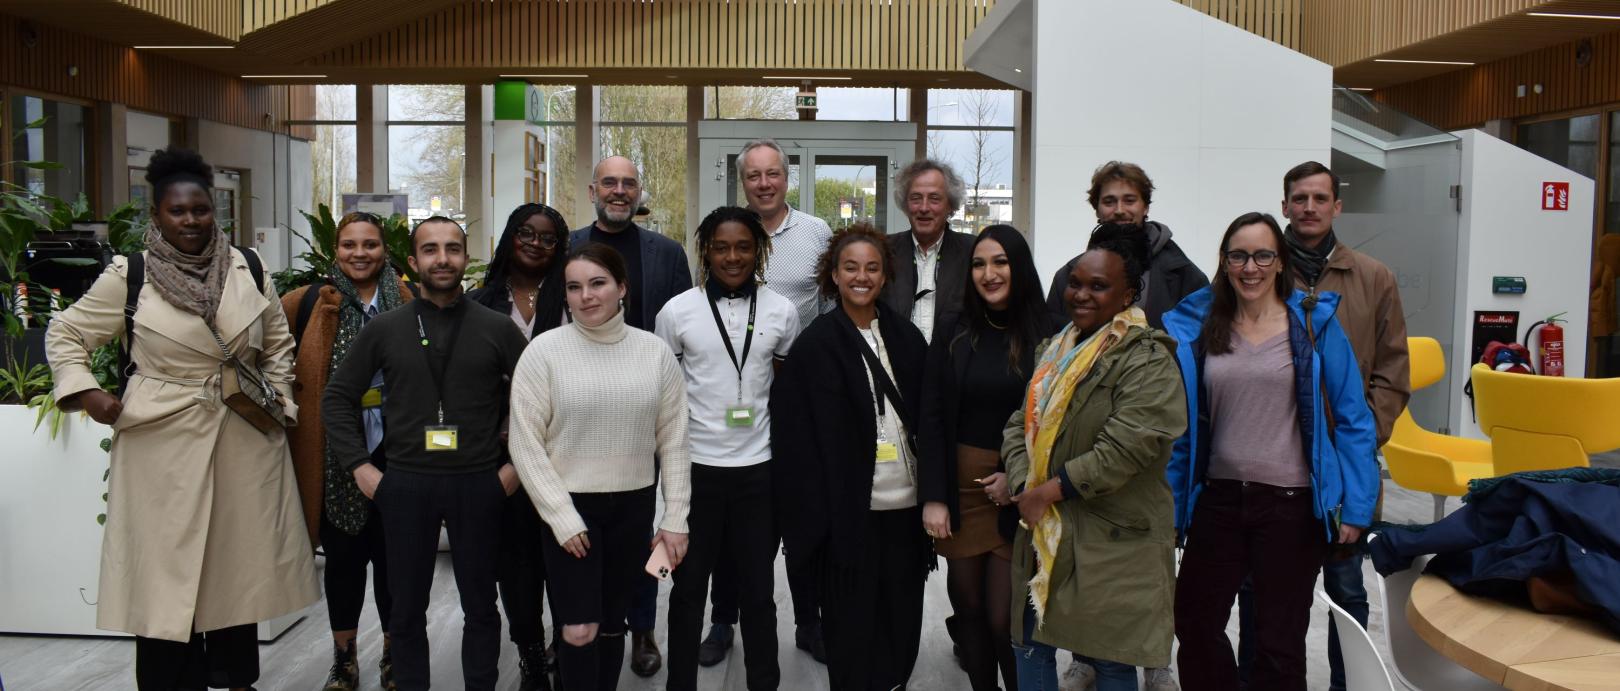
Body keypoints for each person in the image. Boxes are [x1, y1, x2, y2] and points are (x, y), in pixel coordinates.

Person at [45, 147, 318, 690]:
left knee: (236, 575)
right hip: (159, 439)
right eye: (177, 211)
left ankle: (235, 680)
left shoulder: (249, 267)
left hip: (243, 434)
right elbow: (66, 333)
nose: (191, 220)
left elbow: (279, 344)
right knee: (166, 577)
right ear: (157, 215)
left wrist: (280, 401)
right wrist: (88, 393)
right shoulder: (131, 275)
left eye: (200, 209)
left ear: (214, 211)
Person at [1163, 212, 1379, 691]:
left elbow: (1353, 420)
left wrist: (1356, 506)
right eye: (1238, 255)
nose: (1250, 267)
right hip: (1218, 501)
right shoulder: (1200, 328)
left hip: (1290, 507)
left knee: (1278, 645)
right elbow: (1184, 433)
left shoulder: (1312, 325)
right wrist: (1174, 507)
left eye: (1263, 255)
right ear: (1224, 262)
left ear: (1280, 262)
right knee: (1195, 626)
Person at [322, 216, 529, 691]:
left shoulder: (497, 329)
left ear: (465, 257)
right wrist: (361, 468)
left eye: (453, 249)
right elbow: (336, 398)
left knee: (481, 606)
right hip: (405, 484)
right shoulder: (386, 329)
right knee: (406, 608)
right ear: (413, 262)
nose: (443, 259)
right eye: (431, 250)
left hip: (480, 482)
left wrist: (515, 467)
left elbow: (540, 400)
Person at [999, 224, 1187, 691]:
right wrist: (1025, 486)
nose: (1081, 294)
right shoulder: (1054, 351)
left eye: (1098, 286)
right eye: (1076, 283)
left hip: (1114, 537)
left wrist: (1046, 491)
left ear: (1129, 295)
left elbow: (1125, 449)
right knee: (1030, 644)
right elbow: (1017, 426)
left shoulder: (1148, 359)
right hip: (1045, 528)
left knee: (1111, 660)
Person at [508, 242, 692, 691]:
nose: (586, 295)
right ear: (565, 296)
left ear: (622, 288)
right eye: (574, 287)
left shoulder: (655, 353)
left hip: (633, 508)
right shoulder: (543, 352)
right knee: (578, 629)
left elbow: (674, 440)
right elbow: (525, 443)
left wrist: (675, 518)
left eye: (597, 283)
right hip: (569, 513)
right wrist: (561, 517)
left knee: (613, 624)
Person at [773, 224, 933, 690]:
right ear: (834, 276)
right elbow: (795, 445)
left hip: (905, 513)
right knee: (850, 630)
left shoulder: (906, 337)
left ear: (885, 276)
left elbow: (930, 419)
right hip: (846, 521)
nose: (861, 277)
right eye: (851, 268)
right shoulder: (814, 346)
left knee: (901, 622)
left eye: (872, 268)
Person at [700, 138, 832, 667]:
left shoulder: (817, 234)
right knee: (734, 529)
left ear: (786, 177)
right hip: (738, 402)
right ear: (743, 181)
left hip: (799, 402)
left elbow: (827, 309)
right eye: (752, 175)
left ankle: (808, 621)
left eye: (772, 173)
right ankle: (721, 621)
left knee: (799, 520)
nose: (763, 183)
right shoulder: (726, 234)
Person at [1278, 161, 1409, 691]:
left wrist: (1361, 439)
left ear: (1337, 206)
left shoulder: (1374, 277)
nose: (1309, 208)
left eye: (1319, 198)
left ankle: (1344, 685)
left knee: (1347, 589)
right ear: (1285, 204)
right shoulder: (1260, 269)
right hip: (1276, 460)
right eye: (1299, 198)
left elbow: (1393, 369)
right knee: (1269, 591)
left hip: (1345, 461)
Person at [658, 206, 798, 691]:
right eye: (721, 247)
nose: (732, 256)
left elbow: (781, 390)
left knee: (759, 592)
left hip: (759, 472)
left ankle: (764, 682)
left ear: (758, 251)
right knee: (689, 590)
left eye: (743, 246)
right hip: (697, 470)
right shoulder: (676, 313)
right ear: (706, 251)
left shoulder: (782, 311)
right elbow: (669, 396)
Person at [282, 210, 416, 691]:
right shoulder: (305, 304)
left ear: (385, 250)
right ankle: (345, 659)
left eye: (370, 244)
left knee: (393, 562)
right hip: (332, 451)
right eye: (349, 245)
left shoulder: (408, 301)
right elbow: (271, 363)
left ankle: (393, 655)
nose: (360, 253)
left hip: (396, 452)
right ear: (334, 250)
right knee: (343, 563)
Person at [569, 155, 693, 676]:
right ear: (594, 189)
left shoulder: (665, 253)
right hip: (584, 414)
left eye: (629, 184)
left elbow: (685, 330)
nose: (619, 191)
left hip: (648, 408)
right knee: (581, 532)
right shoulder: (570, 248)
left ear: (640, 192)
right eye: (610, 183)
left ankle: (642, 627)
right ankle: (581, 622)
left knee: (649, 527)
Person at [918, 224, 1051, 691]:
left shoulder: (1048, 332)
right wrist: (934, 496)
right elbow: (931, 414)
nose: (988, 273)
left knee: (1003, 618)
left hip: (1017, 488)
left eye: (1000, 262)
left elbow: (1057, 423)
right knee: (969, 610)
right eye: (978, 263)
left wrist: (1016, 477)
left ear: (1019, 267)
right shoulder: (954, 327)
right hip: (960, 489)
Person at [467, 203, 573, 691]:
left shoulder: (576, 298)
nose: (535, 243)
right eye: (526, 233)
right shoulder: (480, 302)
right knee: (517, 570)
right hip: (502, 461)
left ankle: (572, 655)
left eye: (547, 237)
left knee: (568, 562)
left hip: (569, 457)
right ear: (510, 237)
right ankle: (532, 658)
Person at [1045, 161, 1208, 331]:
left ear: (1145, 207)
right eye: (1109, 202)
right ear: (1097, 210)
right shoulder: (1066, 276)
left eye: (1129, 201)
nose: (1119, 210)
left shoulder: (1185, 275)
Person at [880, 158, 976, 343]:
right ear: (905, 205)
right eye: (916, 198)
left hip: (953, 366)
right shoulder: (883, 251)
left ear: (950, 206)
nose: (924, 208)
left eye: (934, 198)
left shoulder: (973, 252)